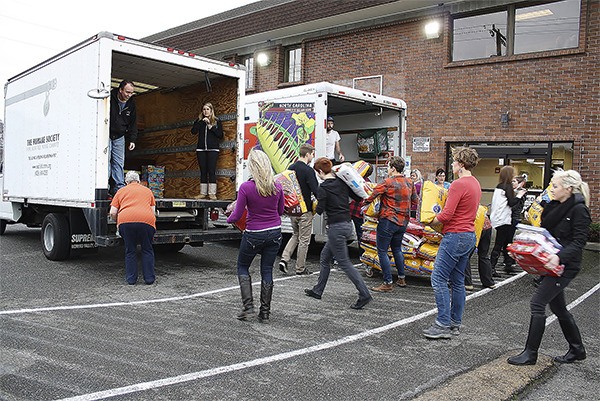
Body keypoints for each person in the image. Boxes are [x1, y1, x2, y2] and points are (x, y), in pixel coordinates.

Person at [507, 170, 590, 365]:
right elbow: (544, 235)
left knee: (538, 303)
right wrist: (521, 250)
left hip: (565, 266)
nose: (551, 189)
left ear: (568, 189)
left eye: (555, 186)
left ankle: (530, 353)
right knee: (558, 307)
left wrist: (558, 257)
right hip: (550, 263)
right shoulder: (555, 206)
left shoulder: (579, 210)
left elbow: (579, 242)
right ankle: (577, 349)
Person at [423, 147, 481, 339]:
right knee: (457, 282)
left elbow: (447, 215)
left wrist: (429, 221)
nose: (453, 164)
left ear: (461, 164)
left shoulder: (457, 184)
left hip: (455, 236)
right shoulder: (475, 183)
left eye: (455, 161)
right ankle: (455, 323)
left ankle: (442, 324)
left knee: (438, 278)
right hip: (469, 236)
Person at [304, 157, 372, 309]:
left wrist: (313, 201)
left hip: (336, 227)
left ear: (321, 171)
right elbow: (356, 197)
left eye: (318, 173)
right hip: (347, 224)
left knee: (345, 263)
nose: (318, 175)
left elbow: (320, 210)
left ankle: (364, 294)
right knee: (324, 257)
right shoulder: (342, 182)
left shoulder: (323, 188)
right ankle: (318, 290)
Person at [227, 148, 284, 322]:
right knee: (267, 270)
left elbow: (237, 216)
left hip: (254, 233)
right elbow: (280, 211)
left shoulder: (246, 187)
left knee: (243, 267)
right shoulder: (277, 187)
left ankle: (248, 307)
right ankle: (265, 313)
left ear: (252, 167)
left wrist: (227, 218)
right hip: (275, 232)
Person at [363, 156, 417, 291]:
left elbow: (372, 196)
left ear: (393, 168)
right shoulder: (410, 182)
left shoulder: (387, 182)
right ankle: (402, 278)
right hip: (403, 221)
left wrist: (364, 203)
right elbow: (415, 201)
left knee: (382, 251)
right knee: (397, 249)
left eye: (388, 167)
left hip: (388, 220)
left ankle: (387, 282)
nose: (388, 170)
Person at [110, 170, 156, 285]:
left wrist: (117, 222)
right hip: (146, 222)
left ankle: (131, 279)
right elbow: (153, 211)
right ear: (138, 181)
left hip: (126, 222)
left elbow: (112, 212)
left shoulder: (121, 191)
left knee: (130, 250)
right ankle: (149, 279)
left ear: (126, 181)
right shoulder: (147, 191)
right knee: (147, 249)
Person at [279, 143, 319, 275]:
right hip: (305, 210)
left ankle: (284, 259)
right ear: (307, 154)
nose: (313, 157)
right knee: (304, 240)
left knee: (295, 235)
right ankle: (300, 268)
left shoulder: (291, 168)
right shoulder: (308, 171)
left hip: (293, 210)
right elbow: (316, 190)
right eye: (312, 154)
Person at [490, 166, 527, 274]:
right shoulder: (508, 187)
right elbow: (511, 202)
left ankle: (507, 264)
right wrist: (519, 195)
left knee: (504, 243)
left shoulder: (499, 186)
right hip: (504, 218)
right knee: (500, 243)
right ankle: (493, 267)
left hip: (497, 217)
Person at [109, 80, 138, 196]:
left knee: (119, 162)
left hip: (120, 136)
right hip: (106, 133)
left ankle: (119, 188)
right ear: (120, 90)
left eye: (131, 93)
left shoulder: (131, 104)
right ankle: (104, 186)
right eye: (127, 92)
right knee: (105, 162)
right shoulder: (110, 98)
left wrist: (132, 140)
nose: (129, 95)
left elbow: (133, 123)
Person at [191, 103, 224, 200]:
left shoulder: (217, 121)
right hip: (201, 149)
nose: (205, 111)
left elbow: (220, 135)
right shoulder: (199, 121)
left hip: (213, 149)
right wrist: (201, 122)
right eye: (204, 109)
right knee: (203, 171)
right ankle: (203, 193)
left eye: (207, 109)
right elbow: (193, 131)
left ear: (211, 110)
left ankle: (212, 193)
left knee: (211, 170)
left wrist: (211, 126)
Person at [465, 213, 496, 290]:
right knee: (484, 255)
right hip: (486, 225)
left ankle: (467, 283)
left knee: (465, 256)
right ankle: (488, 282)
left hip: (474, 225)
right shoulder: (477, 203)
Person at [349, 163, 374, 254]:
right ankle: (362, 254)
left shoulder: (354, 179)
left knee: (341, 234)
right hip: (359, 212)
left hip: (349, 209)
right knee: (360, 233)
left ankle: (336, 257)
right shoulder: (368, 183)